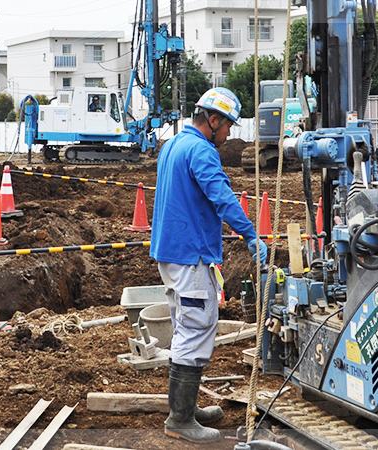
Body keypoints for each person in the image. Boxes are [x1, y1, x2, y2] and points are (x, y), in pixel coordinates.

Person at [149, 87, 267, 443]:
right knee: (197, 327)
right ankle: (180, 419)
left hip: (170, 252)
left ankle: (185, 409)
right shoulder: (201, 151)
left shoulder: (172, 145)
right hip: (191, 253)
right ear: (212, 120)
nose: (229, 133)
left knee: (186, 326)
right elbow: (222, 197)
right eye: (228, 125)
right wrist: (250, 235)